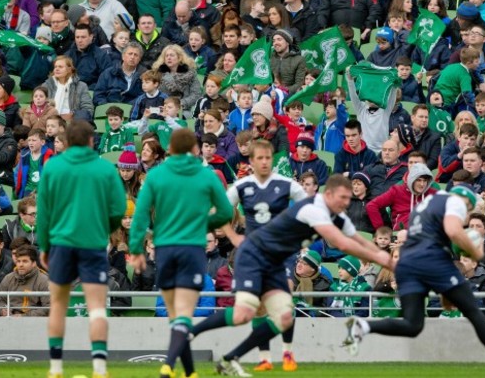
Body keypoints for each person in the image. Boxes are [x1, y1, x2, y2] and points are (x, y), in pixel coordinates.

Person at [190, 174, 392, 376]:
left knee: (286, 316)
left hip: (276, 260)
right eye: (343, 198)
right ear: (328, 194)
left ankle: (232, 358)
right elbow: (343, 244)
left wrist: (384, 257)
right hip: (254, 256)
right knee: (244, 314)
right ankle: (193, 332)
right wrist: (383, 260)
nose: (347, 203)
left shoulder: (336, 215)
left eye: (349, 198)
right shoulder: (312, 209)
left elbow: (357, 238)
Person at [344, 184, 485, 377]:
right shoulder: (455, 201)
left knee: (413, 325)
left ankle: (363, 326)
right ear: (466, 202)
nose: (465, 216)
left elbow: (434, 234)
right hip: (431, 259)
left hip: (407, 263)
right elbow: (453, 230)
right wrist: (476, 252)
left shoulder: (426, 204)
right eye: (467, 211)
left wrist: (445, 291)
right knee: (474, 312)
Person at [129, 128, 233, 378]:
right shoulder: (205, 175)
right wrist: (203, 225)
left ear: (170, 149)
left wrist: (135, 248)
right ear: (195, 150)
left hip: (164, 250)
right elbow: (226, 212)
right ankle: (169, 366)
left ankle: (188, 372)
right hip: (192, 250)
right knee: (184, 315)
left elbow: (140, 215)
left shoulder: (156, 175)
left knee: (176, 315)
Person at [37, 120, 127, 378]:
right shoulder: (105, 168)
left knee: (58, 305)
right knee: (97, 307)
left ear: (66, 142)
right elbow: (118, 210)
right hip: (93, 245)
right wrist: (103, 227)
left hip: (61, 245)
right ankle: (99, 368)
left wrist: (44, 245)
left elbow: (43, 213)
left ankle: (55, 368)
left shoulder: (53, 167)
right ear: (91, 141)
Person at [224, 139, 308, 371]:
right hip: (255, 256)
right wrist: (232, 235)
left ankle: (288, 353)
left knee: (286, 300)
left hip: (282, 254)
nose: (264, 162)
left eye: (267, 158)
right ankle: (265, 358)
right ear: (250, 161)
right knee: (259, 307)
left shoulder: (287, 184)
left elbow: (308, 208)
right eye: (259, 158)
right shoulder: (242, 187)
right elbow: (221, 210)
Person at [0, 245, 50, 317]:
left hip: (34, 322)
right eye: (18, 261)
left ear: (34, 263)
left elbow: (48, 307)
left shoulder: (44, 280)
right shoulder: (8, 278)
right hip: (9, 319)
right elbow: (0, 300)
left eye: (25, 261)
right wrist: (3, 310)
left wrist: (24, 316)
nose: (20, 265)